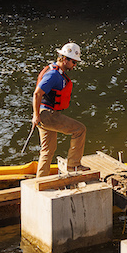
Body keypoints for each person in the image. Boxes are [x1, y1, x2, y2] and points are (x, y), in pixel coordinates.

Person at [31, 42, 87, 177]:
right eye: (73, 62)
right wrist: (36, 115)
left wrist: (37, 115)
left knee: (47, 150)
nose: (75, 65)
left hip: (44, 115)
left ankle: (41, 180)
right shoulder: (54, 75)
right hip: (47, 115)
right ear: (64, 59)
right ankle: (74, 165)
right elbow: (37, 93)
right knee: (80, 130)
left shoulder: (56, 71)